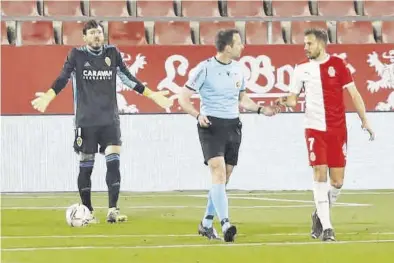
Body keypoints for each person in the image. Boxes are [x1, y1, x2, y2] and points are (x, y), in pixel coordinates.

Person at [31, 20, 173, 224]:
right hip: (85, 120)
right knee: (86, 166)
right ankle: (87, 211)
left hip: (109, 120)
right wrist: (48, 96)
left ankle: (113, 210)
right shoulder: (76, 55)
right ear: (84, 37)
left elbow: (127, 78)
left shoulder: (112, 53)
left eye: (99, 32)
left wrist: (153, 96)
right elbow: (63, 77)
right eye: (92, 33)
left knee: (113, 162)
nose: (97, 36)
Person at [178, 28, 280, 242]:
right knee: (218, 173)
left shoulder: (238, 69)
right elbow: (183, 97)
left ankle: (206, 223)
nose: (243, 46)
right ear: (227, 47)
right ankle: (226, 224)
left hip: (233, 126)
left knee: (223, 180)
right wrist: (197, 115)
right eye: (239, 43)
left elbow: (242, 99)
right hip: (211, 126)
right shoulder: (204, 68)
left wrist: (262, 109)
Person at [276, 28, 375, 241]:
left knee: (337, 182)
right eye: (305, 44)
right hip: (314, 128)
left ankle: (318, 215)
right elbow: (293, 99)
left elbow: (354, 94)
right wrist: (282, 101)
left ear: (321, 44)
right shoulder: (300, 69)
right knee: (319, 173)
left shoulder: (339, 65)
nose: (305, 47)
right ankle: (328, 228)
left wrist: (365, 120)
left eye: (309, 44)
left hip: (338, 130)